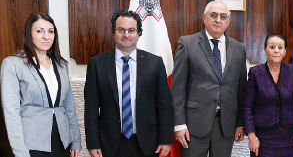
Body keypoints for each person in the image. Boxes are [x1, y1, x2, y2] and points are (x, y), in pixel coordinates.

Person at [84, 10, 174, 157]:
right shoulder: (97, 63)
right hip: (109, 143)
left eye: (131, 30)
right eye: (121, 30)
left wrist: (165, 139)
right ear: (114, 32)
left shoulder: (155, 63)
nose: (126, 35)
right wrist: (92, 143)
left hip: (147, 142)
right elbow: (91, 108)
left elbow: (164, 104)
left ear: (139, 33)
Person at [171, 0, 247, 157]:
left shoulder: (238, 48)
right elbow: (177, 88)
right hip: (193, 124)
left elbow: (241, 90)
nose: (218, 20)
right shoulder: (187, 43)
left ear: (229, 21)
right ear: (204, 17)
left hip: (225, 125)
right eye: (213, 15)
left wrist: (240, 123)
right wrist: (179, 124)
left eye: (223, 16)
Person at [1, 12, 82, 157]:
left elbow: (69, 105)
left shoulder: (61, 64)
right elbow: (11, 112)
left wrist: (76, 140)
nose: (46, 36)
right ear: (29, 33)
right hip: (32, 143)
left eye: (51, 31)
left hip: (62, 141)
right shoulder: (13, 64)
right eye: (40, 31)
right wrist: (20, 151)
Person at [243, 33, 293, 157]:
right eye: (272, 47)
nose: (276, 51)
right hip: (262, 137)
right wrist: (251, 135)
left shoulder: (292, 71)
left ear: (285, 51)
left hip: (290, 136)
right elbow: (247, 106)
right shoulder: (255, 73)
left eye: (280, 47)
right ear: (265, 50)